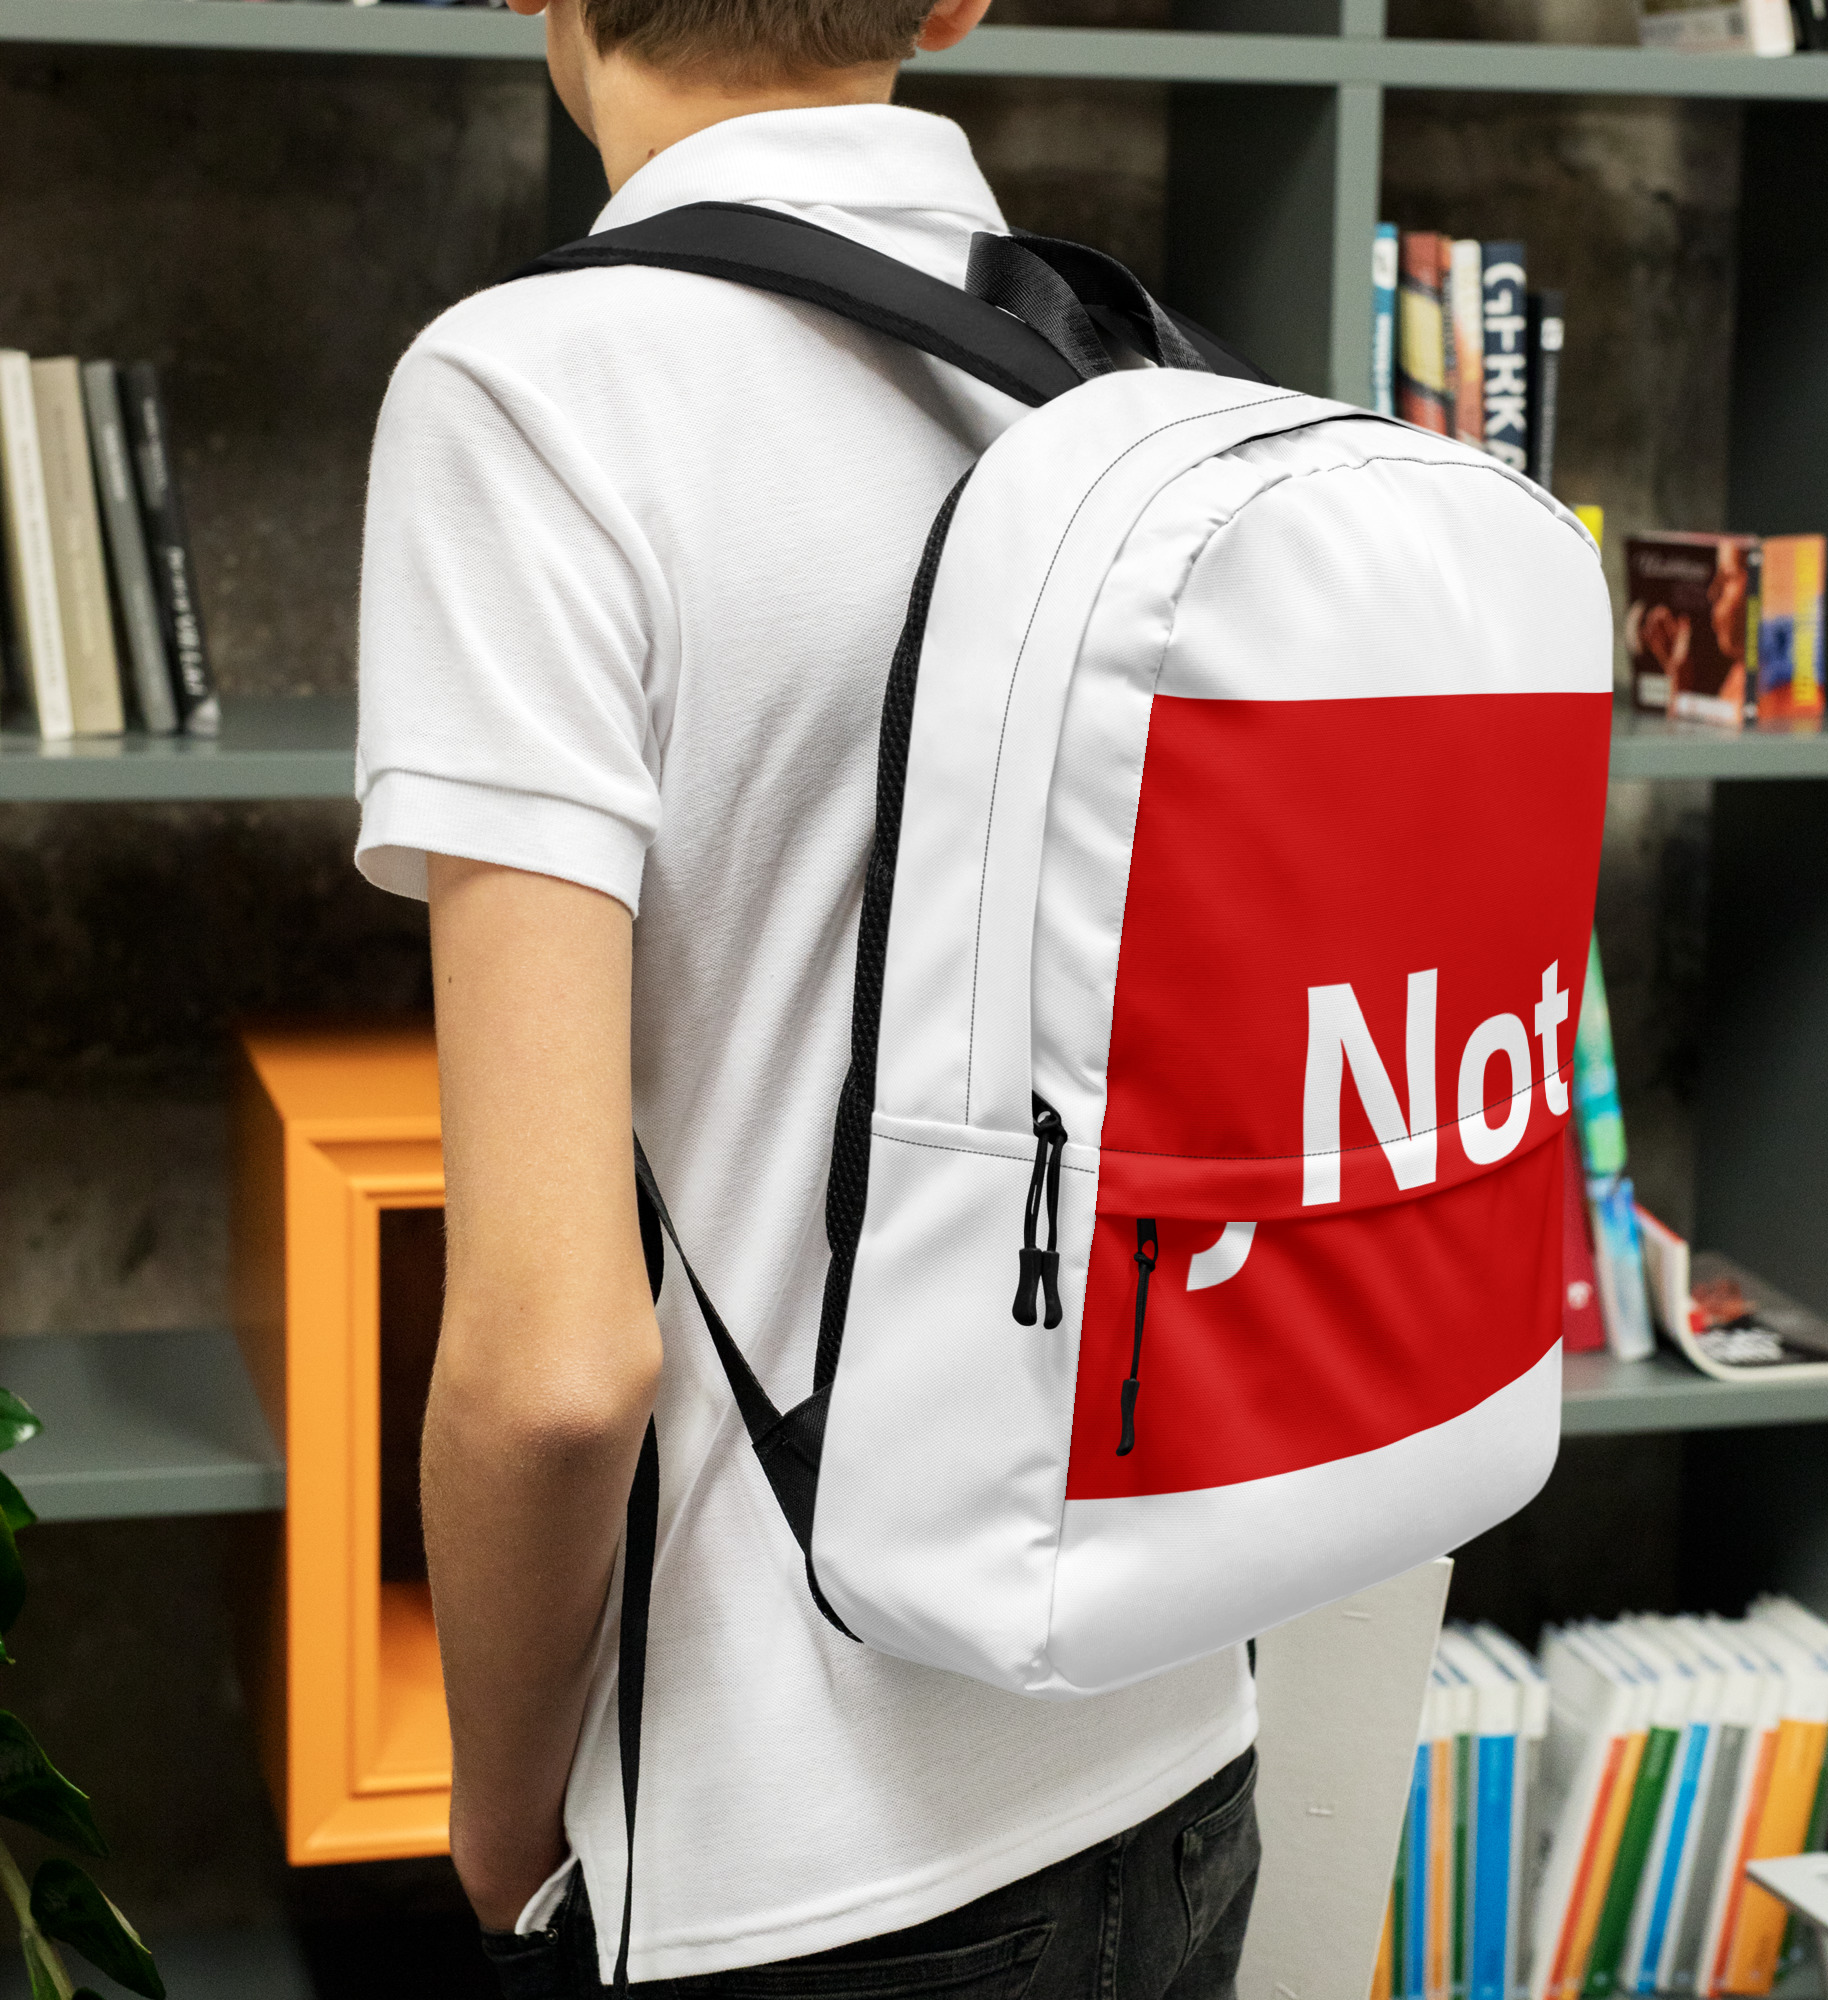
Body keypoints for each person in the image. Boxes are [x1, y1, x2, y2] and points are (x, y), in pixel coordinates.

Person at [352, 0, 1259, 1991]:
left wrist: (500, 1828)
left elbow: (553, 1367)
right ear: (956, 0)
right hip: (1180, 1747)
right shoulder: (1142, 393)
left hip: (799, 1858)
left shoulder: (532, 394)